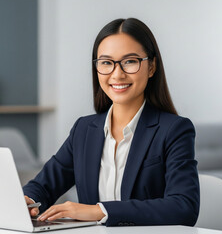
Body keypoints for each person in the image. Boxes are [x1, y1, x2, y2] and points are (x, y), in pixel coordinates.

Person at [23, 18, 199, 227]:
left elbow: (183, 207)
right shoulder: (84, 130)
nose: (117, 74)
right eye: (106, 62)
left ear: (151, 67)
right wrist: (28, 201)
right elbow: (43, 185)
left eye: (130, 61)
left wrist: (99, 211)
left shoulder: (174, 130)